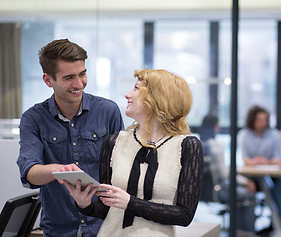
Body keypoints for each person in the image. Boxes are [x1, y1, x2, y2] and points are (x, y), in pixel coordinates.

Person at [62, 69, 204, 237]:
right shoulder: (114, 142)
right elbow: (106, 209)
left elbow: (184, 215)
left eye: (136, 88)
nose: (128, 95)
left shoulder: (187, 146)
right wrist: (84, 204)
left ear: (158, 97)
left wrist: (131, 203)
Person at [16, 39, 124, 236]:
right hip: (59, 228)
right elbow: (29, 172)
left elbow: (122, 169)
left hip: (104, 227)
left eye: (82, 74)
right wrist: (59, 170)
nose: (78, 84)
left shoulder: (108, 111)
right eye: (69, 78)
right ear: (48, 80)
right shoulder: (33, 119)